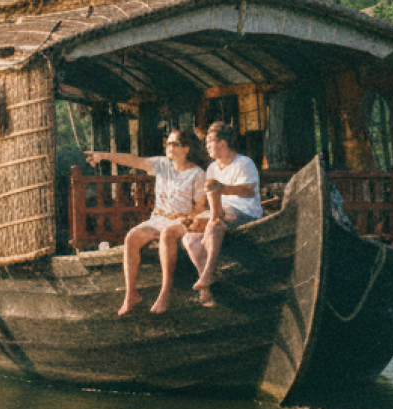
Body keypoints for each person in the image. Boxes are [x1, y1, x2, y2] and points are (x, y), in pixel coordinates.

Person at [84, 129, 205, 315]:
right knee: (132, 237)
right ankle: (131, 294)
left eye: (174, 144)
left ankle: (166, 292)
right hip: (159, 218)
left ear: (186, 149)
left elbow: (199, 207)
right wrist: (103, 156)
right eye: (168, 143)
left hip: (181, 221)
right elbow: (133, 160)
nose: (169, 147)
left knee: (166, 236)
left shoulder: (197, 173)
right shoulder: (162, 164)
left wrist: (188, 218)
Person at [183, 121, 263, 305]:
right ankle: (207, 284)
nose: (207, 146)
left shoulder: (244, 163)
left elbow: (249, 191)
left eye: (210, 141)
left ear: (223, 144)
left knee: (214, 223)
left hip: (245, 212)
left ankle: (209, 273)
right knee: (189, 238)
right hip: (221, 212)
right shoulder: (212, 168)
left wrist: (222, 188)